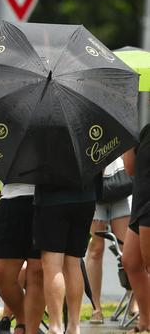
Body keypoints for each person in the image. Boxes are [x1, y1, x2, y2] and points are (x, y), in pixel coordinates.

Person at [34, 178, 99, 334]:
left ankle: (55, 326)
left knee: (53, 264)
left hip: (52, 197)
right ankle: (74, 326)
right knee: (73, 262)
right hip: (85, 196)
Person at [0, 184, 44, 334]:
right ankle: (25, 321)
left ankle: (29, 329)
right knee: (1, 273)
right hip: (10, 198)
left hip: (45, 202)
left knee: (38, 273)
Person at [86, 156, 132, 325]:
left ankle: (133, 303)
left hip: (120, 188)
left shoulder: (120, 130)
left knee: (127, 250)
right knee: (95, 249)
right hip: (94, 191)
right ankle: (95, 307)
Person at [122, 123, 150, 334]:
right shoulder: (146, 131)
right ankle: (146, 320)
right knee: (131, 261)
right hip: (140, 204)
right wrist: (125, 137)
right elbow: (131, 169)